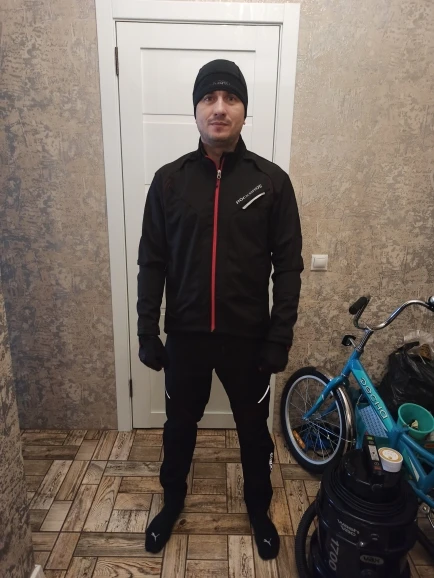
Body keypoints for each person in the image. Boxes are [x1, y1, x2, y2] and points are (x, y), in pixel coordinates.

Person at [137, 59, 303, 560]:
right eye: (209, 98)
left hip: (248, 341)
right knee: (178, 428)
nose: (219, 107)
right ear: (196, 110)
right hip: (186, 338)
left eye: (231, 98)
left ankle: (258, 508)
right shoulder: (169, 182)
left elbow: (288, 267)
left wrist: (279, 337)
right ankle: (172, 502)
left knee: (253, 432)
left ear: (244, 111)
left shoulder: (271, 182)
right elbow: (152, 260)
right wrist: (147, 330)